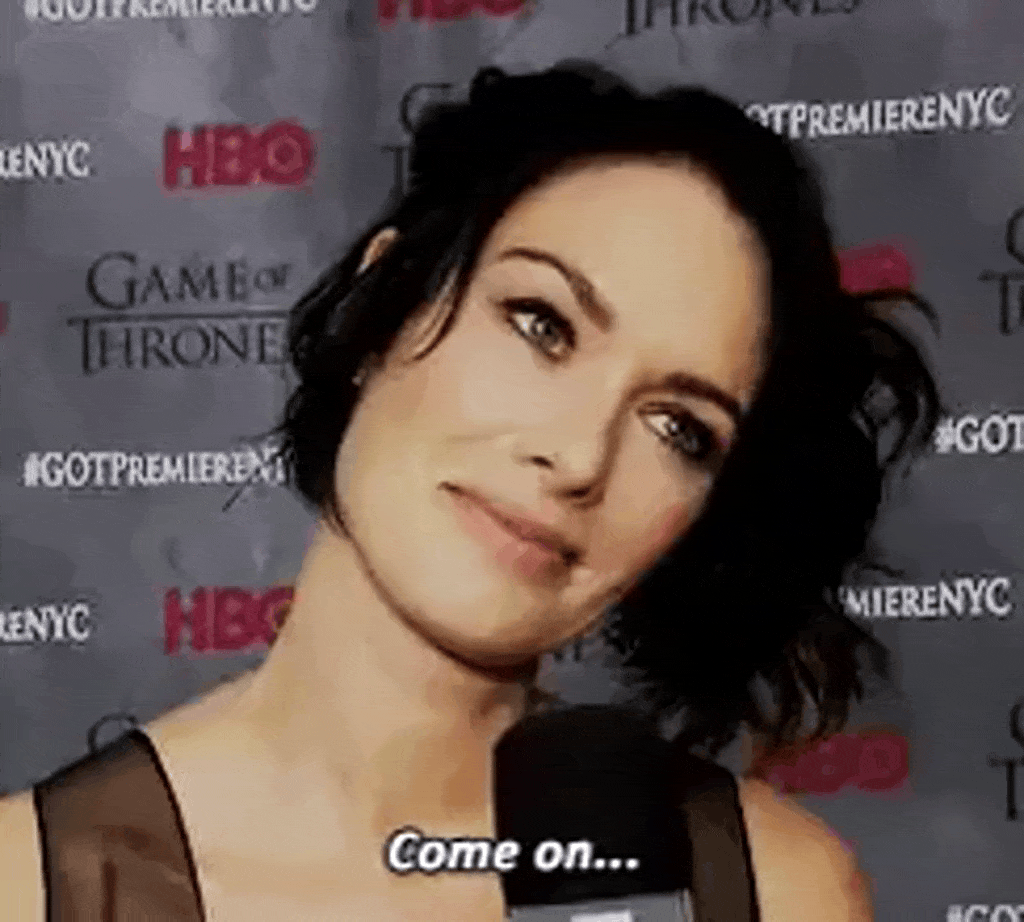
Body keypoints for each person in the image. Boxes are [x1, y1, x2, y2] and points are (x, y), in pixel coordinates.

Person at [0, 62, 938, 920]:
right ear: (384, 306)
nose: (580, 456)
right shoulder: (25, 886)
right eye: (541, 324)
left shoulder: (774, 891)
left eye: (679, 429)